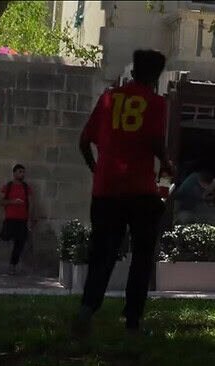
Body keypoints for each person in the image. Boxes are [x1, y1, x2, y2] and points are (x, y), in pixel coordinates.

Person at [73, 49, 175, 337]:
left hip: (106, 189)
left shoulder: (108, 98)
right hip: (140, 189)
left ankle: (87, 309)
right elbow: (155, 142)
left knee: (102, 252)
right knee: (142, 255)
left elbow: (84, 141)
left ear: (133, 71)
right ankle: (132, 321)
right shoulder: (156, 103)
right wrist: (167, 166)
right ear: (155, 76)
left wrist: (97, 170)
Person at [0, 164, 33, 275]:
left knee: (20, 243)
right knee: (5, 238)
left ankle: (12, 265)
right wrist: (13, 202)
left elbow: (31, 203)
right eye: (19, 172)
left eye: (23, 172)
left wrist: (31, 218)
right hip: (10, 219)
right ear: (14, 173)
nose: (22, 174)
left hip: (22, 220)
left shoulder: (26, 188)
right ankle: (1, 262)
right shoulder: (8, 186)